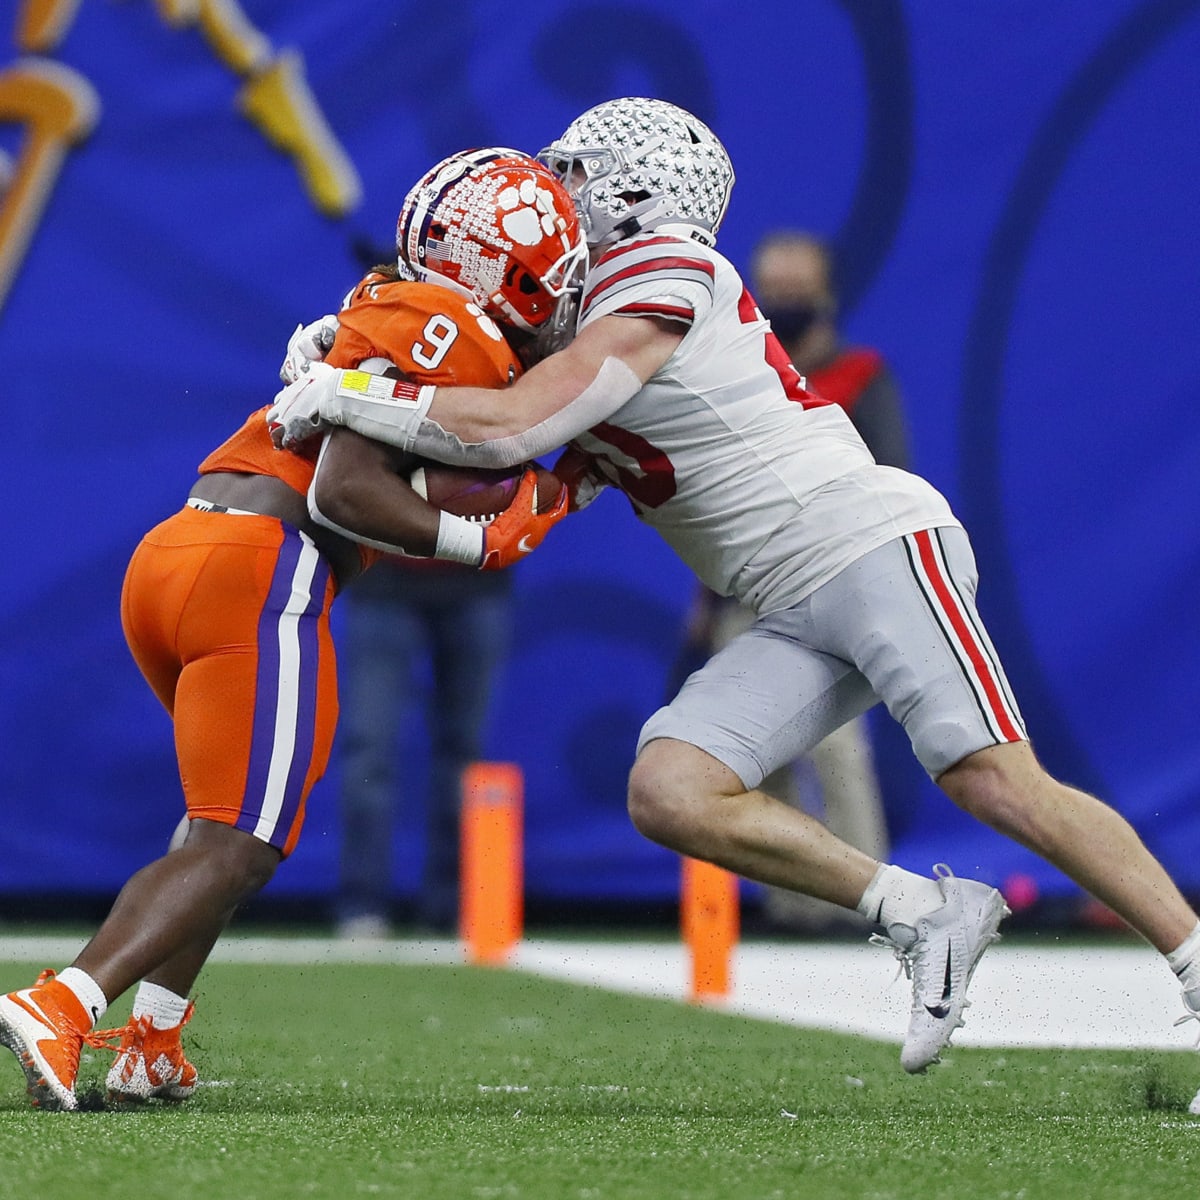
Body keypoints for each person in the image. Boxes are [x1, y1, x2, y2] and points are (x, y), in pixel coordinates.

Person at [267, 97, 1200, 1075]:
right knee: (671, 789)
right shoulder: (571, 320)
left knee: (993, 777)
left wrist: (355, 393)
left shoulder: (662, 272)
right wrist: (357, 364)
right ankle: (924, 910)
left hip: (870, 541)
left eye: (576, 176)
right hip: (785, 596)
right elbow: (500, 459)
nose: (555, 197)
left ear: (631, 197)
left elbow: (509, 427)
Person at [0, 148, 579, 1111]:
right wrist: (480, 541)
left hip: (180, 549)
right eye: (547, 279)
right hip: (262, 568)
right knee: (243, 843)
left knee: (217, 829)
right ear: (496, 267)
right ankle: (65, 1003)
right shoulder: (452, 327)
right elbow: (350, 489)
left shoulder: (391, 302)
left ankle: (151, 1038)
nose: (554, 302)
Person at [676, 230, 910, 933]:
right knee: (749, 750)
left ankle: (872, 898)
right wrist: (703, 597)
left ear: (827, 294)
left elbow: (888, 476)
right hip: (745, 588)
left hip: (830, 583)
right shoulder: (746, 375)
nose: (783, 303)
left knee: (837, 747)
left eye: (796, 291)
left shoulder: (860, 376)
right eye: (771, 291)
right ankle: (792, 902)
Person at [335, 552, 514, 938]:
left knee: (466, 754)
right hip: (384, 575)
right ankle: (362, 904)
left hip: (478, 577)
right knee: (369, 750)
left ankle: (450, 907)